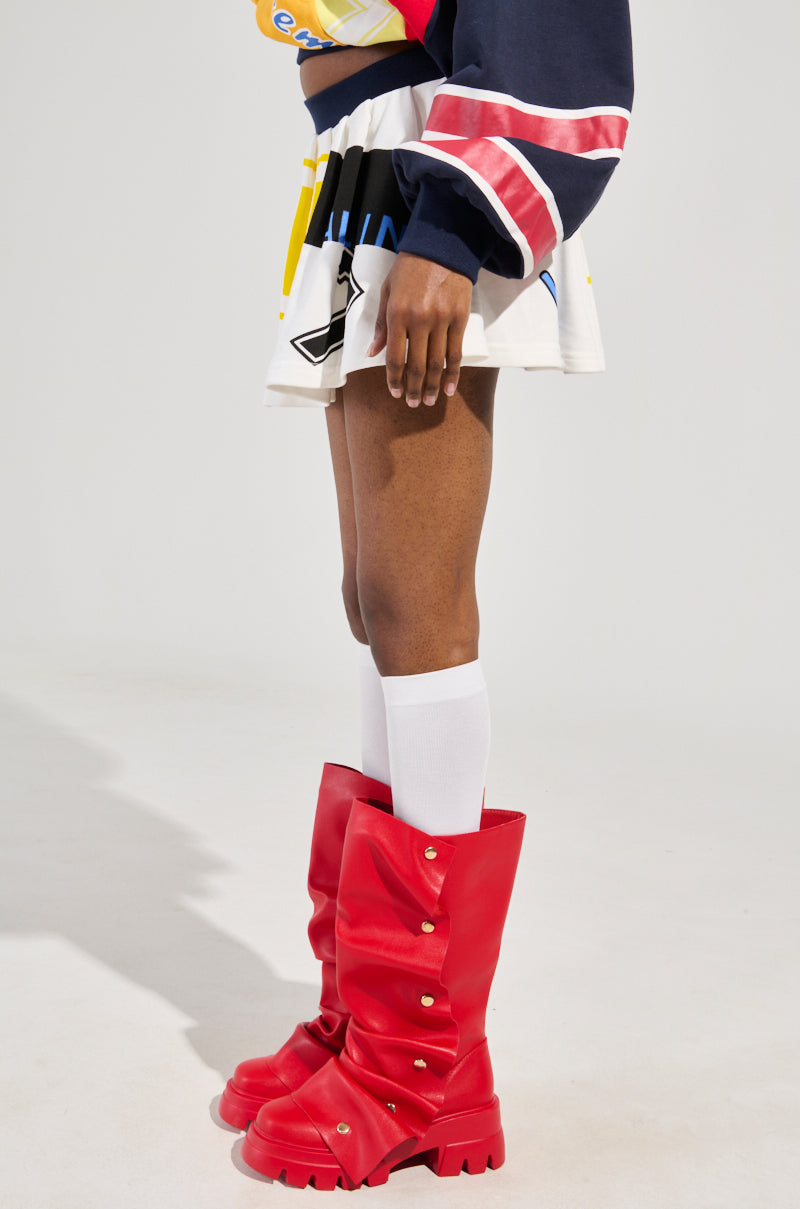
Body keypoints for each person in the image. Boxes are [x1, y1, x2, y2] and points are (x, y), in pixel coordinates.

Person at [218, 0, 634, 1190]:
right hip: (369, 160)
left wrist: (449, 236)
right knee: (374, 602)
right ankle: (368, 1013)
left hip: (435, 178)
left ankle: (424, 1069)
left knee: (419, 605)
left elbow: (557, 32)